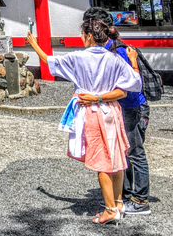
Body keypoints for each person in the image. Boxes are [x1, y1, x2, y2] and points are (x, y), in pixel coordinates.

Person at [27, 17, 141, 225]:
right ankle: (118, 202)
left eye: (82, 34)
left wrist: (34, 43)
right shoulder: (115, 59)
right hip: (113, 111)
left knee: (102, 163)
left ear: (89, 36)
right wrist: (133, 62)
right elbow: (132, 85)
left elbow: (49, 61)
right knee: (116, 159)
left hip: (93, 112)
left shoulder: (79, 57)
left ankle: (109, 210)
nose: (81, 38)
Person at [83, 7, 150, 216]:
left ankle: (140, 200)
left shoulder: (117, 50)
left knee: (134, 152)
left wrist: (98, 97)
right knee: (124, 152)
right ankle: (125, 194)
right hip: (122, 109)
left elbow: (130, 86)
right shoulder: (106, 48)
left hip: (132, 107)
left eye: (87, 26)